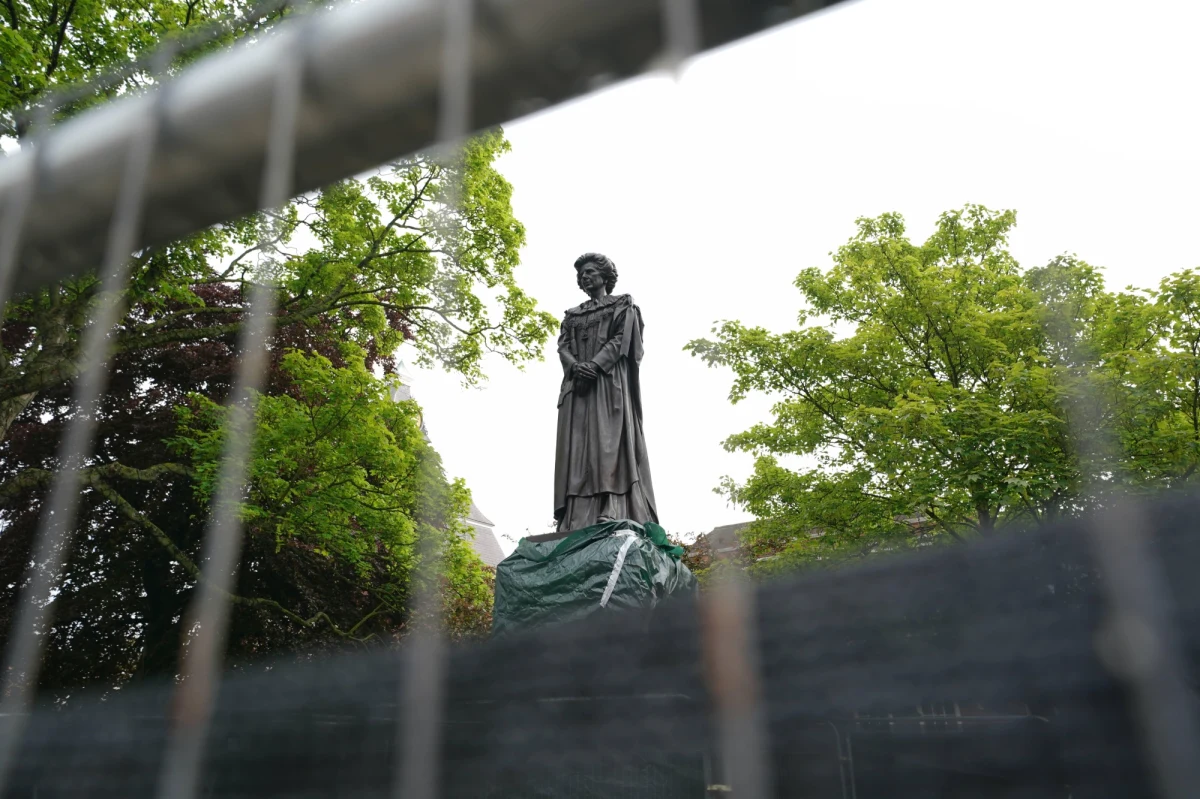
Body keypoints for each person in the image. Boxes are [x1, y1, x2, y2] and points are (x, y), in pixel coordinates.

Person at [553, 252, 658, 532]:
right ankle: (575, 517)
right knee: (577, 451)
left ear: (604, 276)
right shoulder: (572, 315)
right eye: (581, 274)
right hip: (578, 390)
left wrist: (595, 366)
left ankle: (610, 507)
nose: (584, 277)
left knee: (608, 446)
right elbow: (562, 347)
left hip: (607, 385)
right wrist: (575, 368)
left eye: (589, 272)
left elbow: (621, 340)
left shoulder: (623, 306)